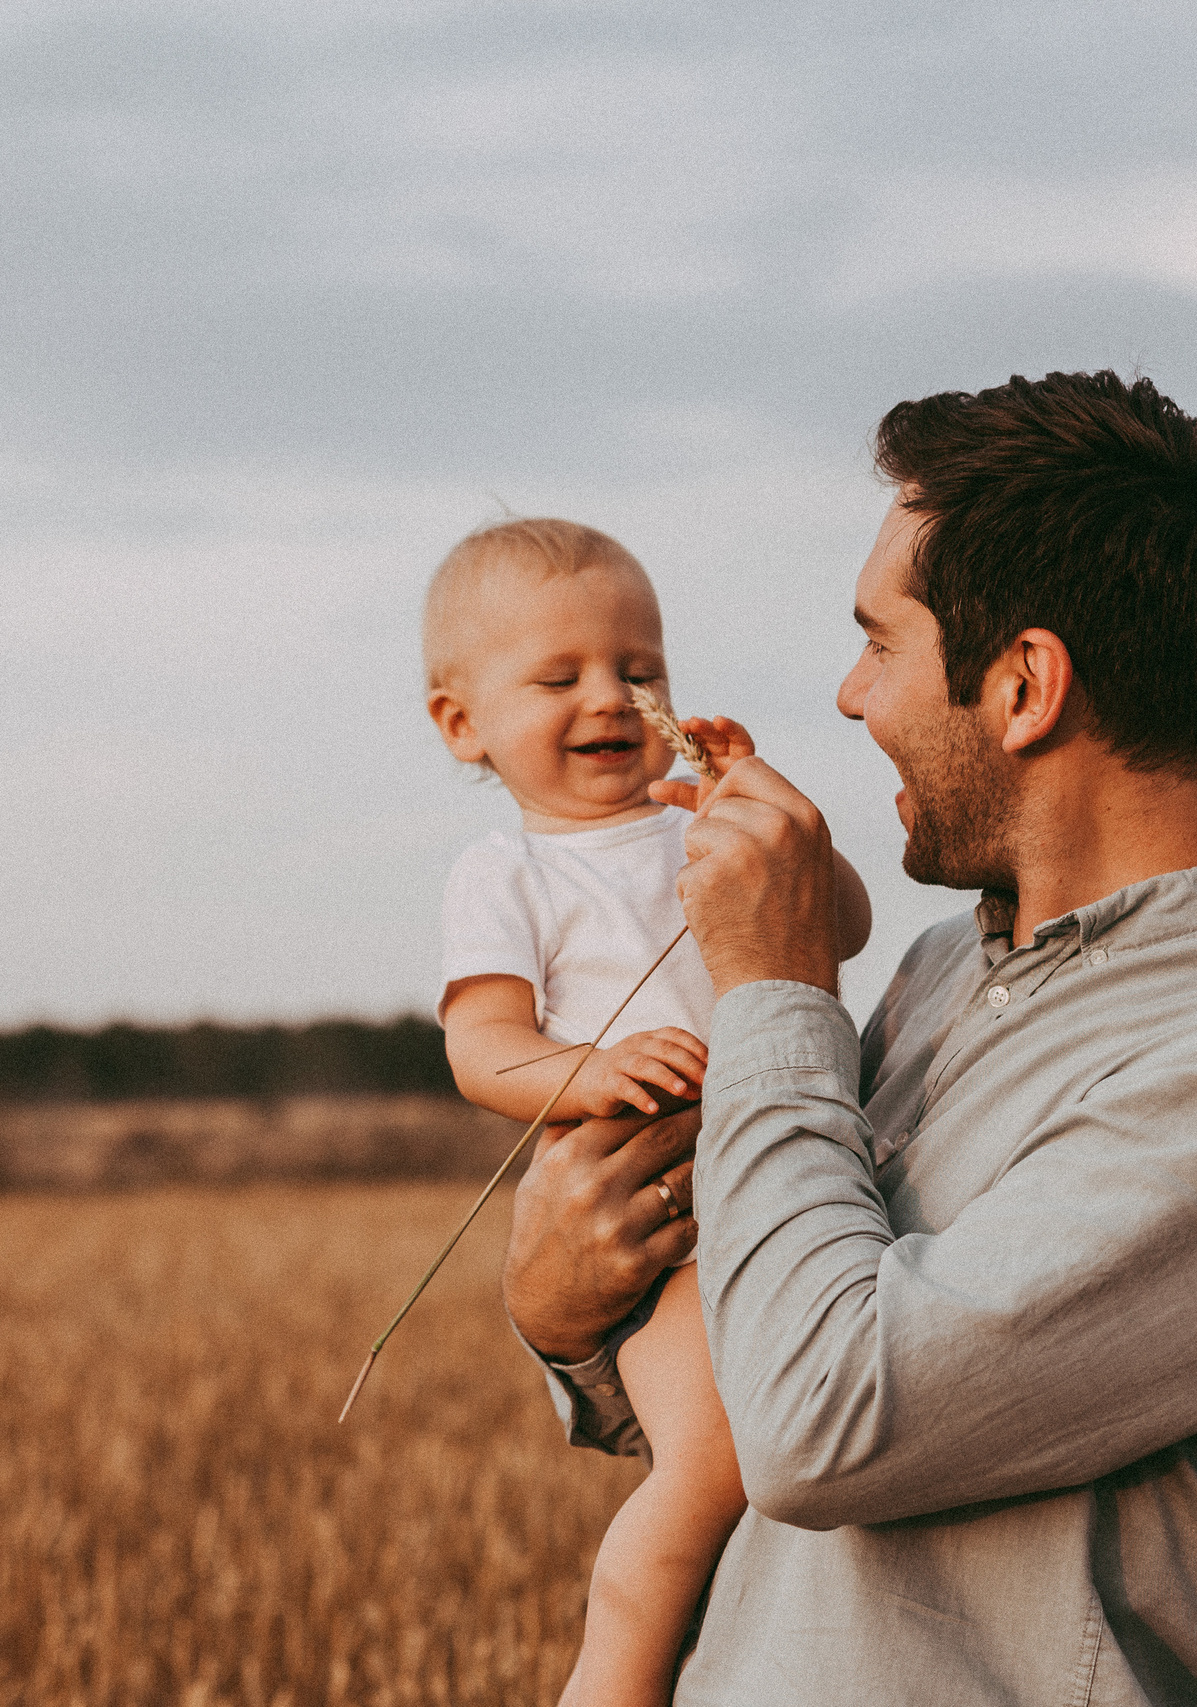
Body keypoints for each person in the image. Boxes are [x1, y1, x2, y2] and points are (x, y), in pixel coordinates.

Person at [502, 372, 1197, 1705]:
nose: (848, 694)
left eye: (881, 641)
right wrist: (574, 1321)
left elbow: (826, 1424)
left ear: (1024, 684)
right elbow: (756, 1396)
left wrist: (773, 982)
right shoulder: (947, 969)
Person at [421, 517, 872, 1707]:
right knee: (716, 1464)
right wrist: (590, 1072)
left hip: (787, 1178)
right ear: (461, 724)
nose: (611, 699)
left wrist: (758, 807)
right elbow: (483, 1051)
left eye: (639, 668)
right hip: (662, 1223)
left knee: (790, 1458)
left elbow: (846, 926)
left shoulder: (696, 824)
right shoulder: (506, 873)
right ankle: (614, 1679)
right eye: (557, 677)